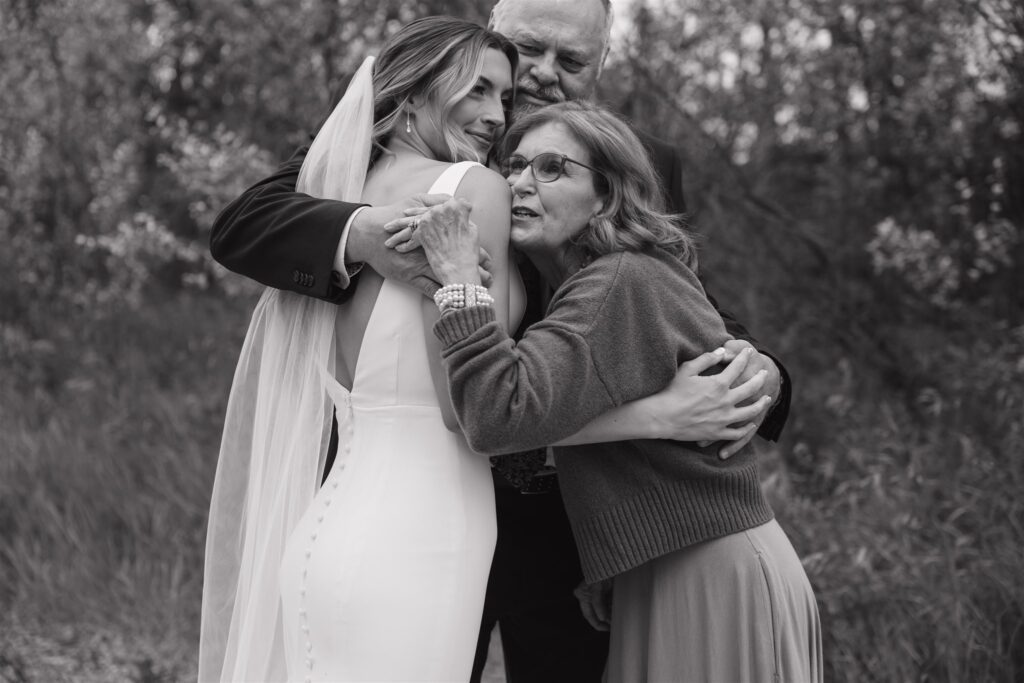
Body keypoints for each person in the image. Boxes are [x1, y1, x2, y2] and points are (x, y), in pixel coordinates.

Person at [207, 1, 792, 679]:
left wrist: (765, 375)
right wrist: (369, 235)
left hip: (566, 514)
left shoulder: (626, 157)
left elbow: (675, 289)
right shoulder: (404, 133)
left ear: (601, 66)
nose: (543, 73)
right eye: (528, 49)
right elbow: (246, 221)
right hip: (414, 483)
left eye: (570, 59)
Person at [416, 99, 822, 683]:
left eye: (553, 168)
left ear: (606, 197)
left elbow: (496, 413)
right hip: (664, 567)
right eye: (516, 165)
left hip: (708, 575)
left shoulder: (615, 282)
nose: (521, 183)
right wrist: (614, 560)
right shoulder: (610, 281)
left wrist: (458, 282)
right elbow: (642, 456)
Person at [199, 17, 523, 682]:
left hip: (330, 527)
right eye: (478, 90)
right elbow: (466, 409)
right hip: (423, 534)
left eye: (506, 98)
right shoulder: (472, 190)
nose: (497, 116)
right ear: (412, 94)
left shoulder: (338, 187)